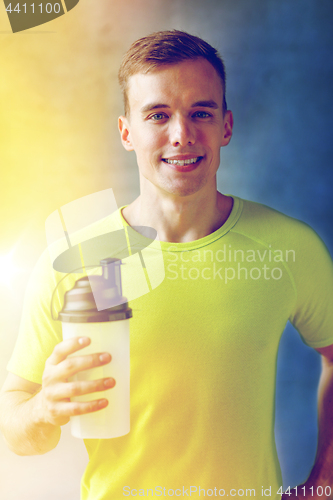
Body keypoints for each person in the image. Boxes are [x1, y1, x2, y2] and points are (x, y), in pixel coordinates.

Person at [1, 30, 333, 500]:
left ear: (227, 126)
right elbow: (16, 426)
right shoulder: (73, 258)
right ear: (127, 132)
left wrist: (326, 476)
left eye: (201, 112)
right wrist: (41, 410)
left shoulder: (288, 248)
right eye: (158, 115)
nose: (182, 134)